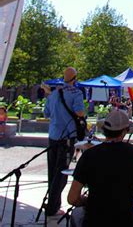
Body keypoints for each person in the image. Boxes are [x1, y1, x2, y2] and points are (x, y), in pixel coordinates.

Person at [68, 110, 133, 226]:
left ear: (104, 130)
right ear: (124, 132)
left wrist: (86, 200)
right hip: (124, 222)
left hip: (94, 222)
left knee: (76, 214)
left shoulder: (89, 155)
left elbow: (72, 198)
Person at [43, 67, 85, 217]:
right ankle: (53, 207)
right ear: (75, 78)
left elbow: (46, 113)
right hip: (67, 137)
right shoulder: (76, 93)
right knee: (61, 172)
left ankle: (53, 203)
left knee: (52, 170)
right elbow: (80, 112)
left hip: (52, 136)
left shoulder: (53, 94)